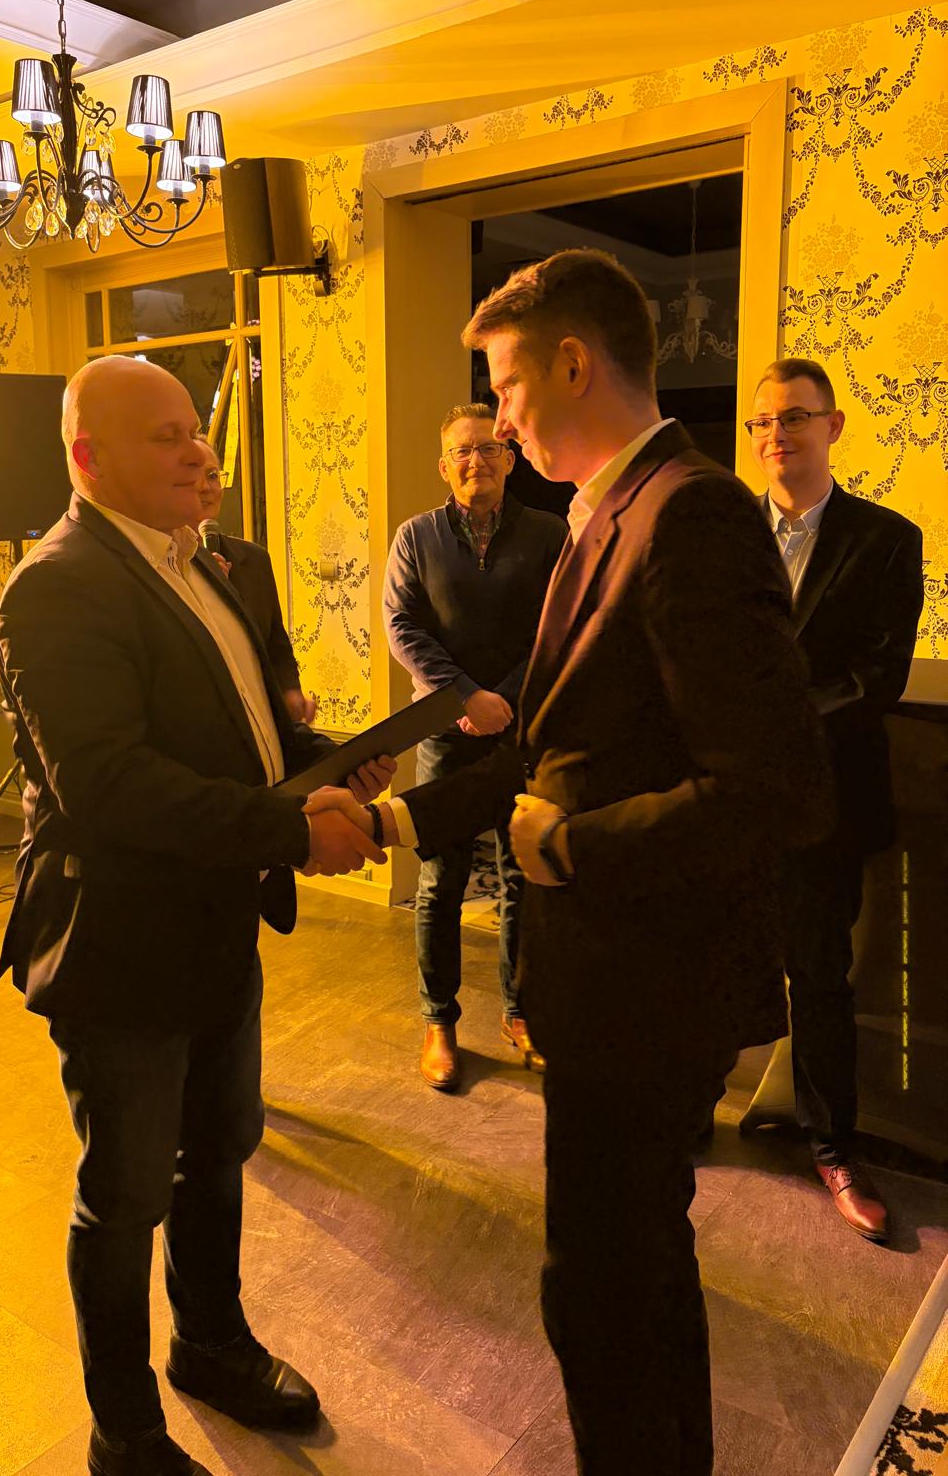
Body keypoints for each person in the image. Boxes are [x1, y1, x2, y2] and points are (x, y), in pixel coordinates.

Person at [311, 250, 832, 1476]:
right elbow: (550, 748)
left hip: (653, 985)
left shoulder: (690, 511)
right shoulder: (607, 508)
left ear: (572, 363)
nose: (498, 420)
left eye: (505, 386)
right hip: (609, 983)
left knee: (602, 1288)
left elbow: (777, 789)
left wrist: (571, 845)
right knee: (627, 1275)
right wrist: (392, 823)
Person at [0, 356, 392, 1476]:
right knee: (124, 1195)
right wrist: (289, 833)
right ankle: (125, 1432)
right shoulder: (56, 584)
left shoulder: (212, 563)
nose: (197, 451)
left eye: (195, 431)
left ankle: (211, 1343)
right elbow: (107, 784)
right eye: (164, 436)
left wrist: (328, 762)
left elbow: (244, 729)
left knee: (217, 1150)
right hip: (119, 939)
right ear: (88, 458)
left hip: (217, 917)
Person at [745, 357, 923, 1243]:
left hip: (824, 796)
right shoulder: (722, 533)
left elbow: (881, 675)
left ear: (833, 426)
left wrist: (779, 724)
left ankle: (832, 1146)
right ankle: (695, 1107)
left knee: (818, 976)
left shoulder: (886, 538)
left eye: (795, 417)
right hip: (723, 796)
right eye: (764, 421)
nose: (777, 434)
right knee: (713, 955)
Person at [383, 403, 566, 1089]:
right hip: (444, 732)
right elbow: (403, 626)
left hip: (521, 732)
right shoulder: (416, 537)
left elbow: (556, 626)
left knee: (523, 876)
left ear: (510, 459)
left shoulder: (549, 533)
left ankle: (521, 1012)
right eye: (462, 450)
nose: (476, 460)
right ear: (444, 465)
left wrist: (502, 700)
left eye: (489, 448)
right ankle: (439, 1022)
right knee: (440, 881)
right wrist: (464, 696)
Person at [192, 436, 316, 725]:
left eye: (213, 475)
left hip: (262, 721)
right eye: (193, 476)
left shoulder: (255, 559)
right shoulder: (164, 566)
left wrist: (290, 692)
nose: (205, 487)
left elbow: (275, 642)